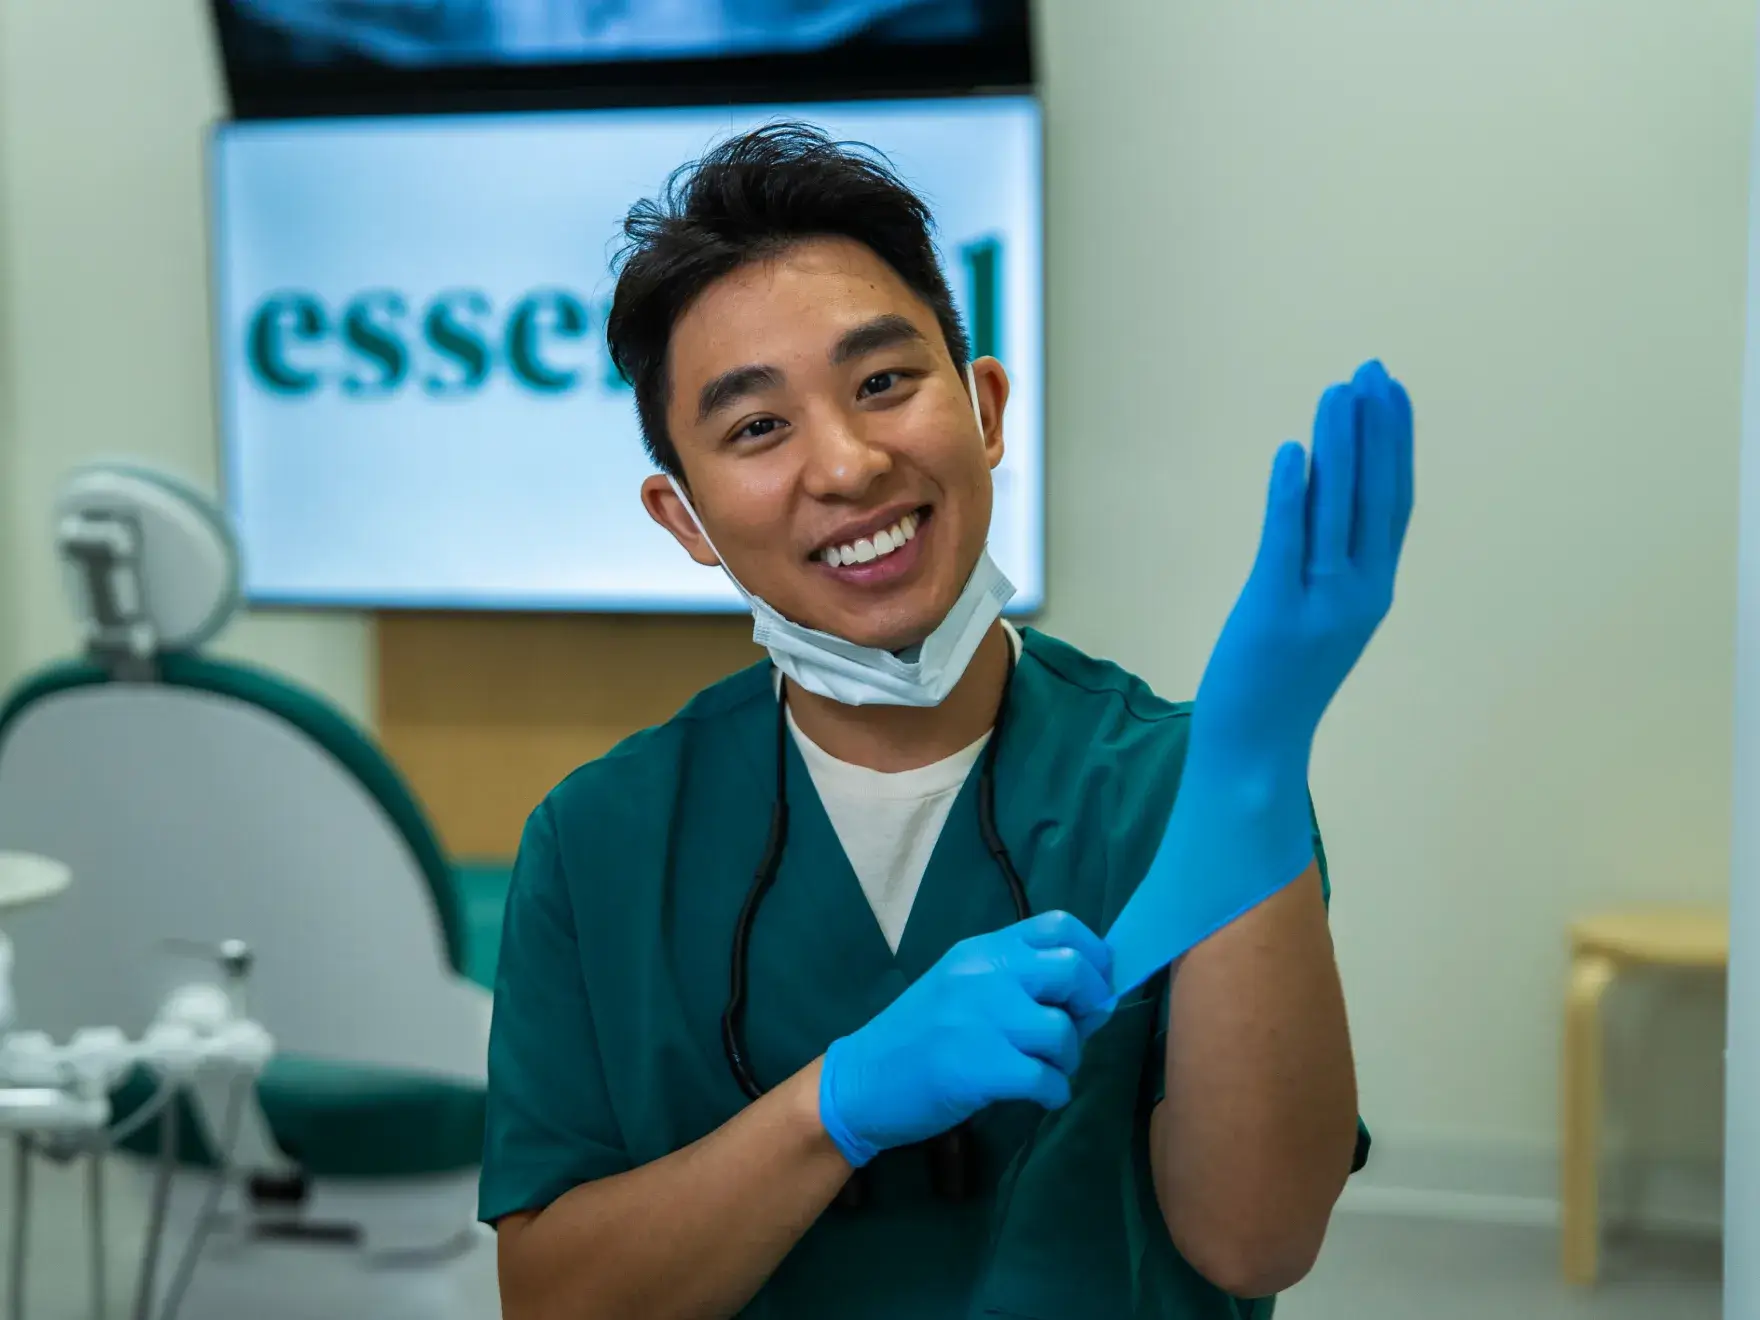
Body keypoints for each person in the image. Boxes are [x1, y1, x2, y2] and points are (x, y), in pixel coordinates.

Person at [482, 123, 1410, 1319]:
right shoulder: (598, 840)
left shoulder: (1183, 784)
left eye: (882, 383)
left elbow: (1257, 1240)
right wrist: (836, 1105)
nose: (848, 463)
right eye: (756, 427)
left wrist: (1253, 769)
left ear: (982, 409)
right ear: (686, 520)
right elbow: (554, 1302)